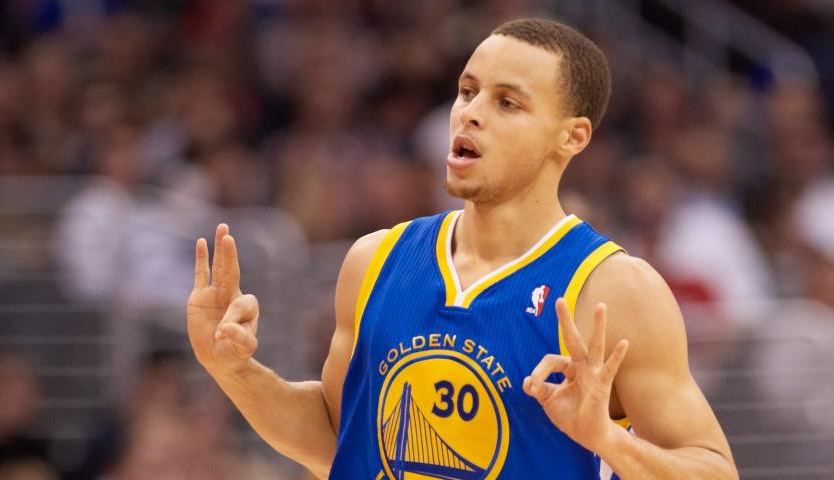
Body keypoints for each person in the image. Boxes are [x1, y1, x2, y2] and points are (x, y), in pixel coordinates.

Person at [187, 18, 737, 480]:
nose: (470, 113)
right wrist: (234, 370)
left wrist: (607, 442)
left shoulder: (613, 289)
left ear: (571, 137)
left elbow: (714, 469)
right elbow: (337, 440)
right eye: (468, 90)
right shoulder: (374, 260)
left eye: (507, 103)